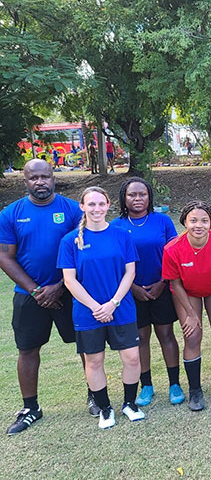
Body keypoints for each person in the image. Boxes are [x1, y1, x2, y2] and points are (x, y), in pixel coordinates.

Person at [0, 160, 84, 434]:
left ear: (53, 177)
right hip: (28, 295)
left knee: (85, 343)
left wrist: (60, 285)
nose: (40, 182)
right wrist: (37, 290)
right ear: (25, 181)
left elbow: (82, 251)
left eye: (45, 176)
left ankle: (95, 395)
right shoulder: (11, 213)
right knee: (27, 350)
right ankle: (31, 407)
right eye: (33, 178)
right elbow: (5, 256)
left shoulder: (72, 210)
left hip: (70, 292)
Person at [57, 187, 144, 429]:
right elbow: (69, 280)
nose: (96, 209)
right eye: (91, 204)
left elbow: (130, 272)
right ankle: (105, 409)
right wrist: (97, 307)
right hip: (88, 312)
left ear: (108, 206)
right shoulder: (70, 240)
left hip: (121, 308)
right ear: (82, 207)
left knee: (132, 357)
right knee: (93, 361)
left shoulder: (121, 235)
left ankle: (129, 403)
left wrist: (113, 303)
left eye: (101, 204)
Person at [111, 177, 184, 406]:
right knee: (141, 337)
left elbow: (174, 254)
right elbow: (114, 263)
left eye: (142, 194)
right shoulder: (116, 226)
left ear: (149, 196)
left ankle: (174, 384)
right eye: (132, 195)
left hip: (161, 287)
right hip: (132, 292)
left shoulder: (162, 221)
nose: (137, 199)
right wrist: (132, 288)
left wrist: (162, 282)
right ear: (124, 198)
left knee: (166, 334)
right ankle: (147, 386)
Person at [162, 201, 211, 411]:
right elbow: (175, 283)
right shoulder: (173, 248)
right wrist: (191, 314)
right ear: (185, 221)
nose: (199, 225)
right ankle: (195, 390)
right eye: (193, 220)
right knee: (192, 334)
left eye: (204, 220)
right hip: (187, 292)